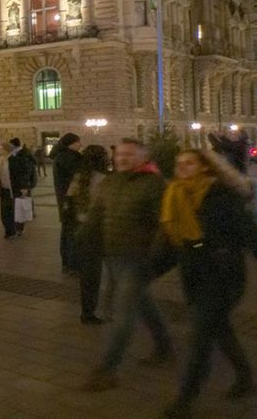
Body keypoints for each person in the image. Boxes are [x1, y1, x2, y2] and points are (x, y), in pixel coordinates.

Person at [159, 148, 257, 418]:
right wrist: (148, 271)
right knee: (219, 330)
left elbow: (250, 234)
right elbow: (169, 241)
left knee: (200, 337)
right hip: (194, 273)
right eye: (179, 164)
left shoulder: (221, 195)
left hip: (224, 274)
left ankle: (185, 399)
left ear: (204, 167)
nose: (183, 168)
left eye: (189, 163)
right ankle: (245, 378)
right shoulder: (175, 194)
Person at [82, 137, 173, 391]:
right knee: (144, 304)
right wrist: (84, 240)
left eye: (130, 154)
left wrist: (152, 258)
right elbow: (96, 215)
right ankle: (165, 347)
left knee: (123, 315)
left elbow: (164, 225)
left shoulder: (154, 184)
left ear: (143, 157)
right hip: (113, 256)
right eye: (120, 153)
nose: (122, 158)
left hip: (138, 259)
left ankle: (107, 370)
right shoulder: (110, 182)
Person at [69, 145, 111, 324]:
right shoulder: (104, 180)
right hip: (99, 230)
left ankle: (87, 311)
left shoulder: (78, 178)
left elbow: (69, 202)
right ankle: (100, 312)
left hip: (80, 228)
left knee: (88, 276)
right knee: (110, 273)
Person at [52, 133, 84, 273]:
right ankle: (72, 263)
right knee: (71, 231)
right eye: (78, 142)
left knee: (68, 231)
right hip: (70, 200)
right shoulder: (67, 157)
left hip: (67, 200)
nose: (80, 144)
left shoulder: (65, 156)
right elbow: (79, 173)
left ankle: (68, 262)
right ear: (70, 143)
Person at [0, 138, 37, 239]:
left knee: (17, 210)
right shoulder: (1, 160)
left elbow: (22, 175)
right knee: (5, 212)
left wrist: (24, 187)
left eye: (1, 149)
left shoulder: (15, 160)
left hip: (15, 189)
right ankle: (9, 231)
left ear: (7, 150)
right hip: (4, 190)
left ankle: (17, 229)